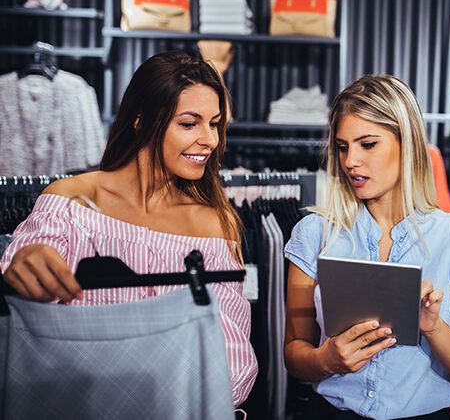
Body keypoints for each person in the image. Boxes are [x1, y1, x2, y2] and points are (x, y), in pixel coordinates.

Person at [0, 50, 258, 406]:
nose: (210, 140)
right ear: (141, 119)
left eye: (213, 123)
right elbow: (25, 283)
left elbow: (231, 362)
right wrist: (26, 263)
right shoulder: (74, 202)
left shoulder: (213, 223)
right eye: (189, 123)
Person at [284, 75, 450, 419]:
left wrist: (433, 326)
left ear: (407, 143)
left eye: (367, 144)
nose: (351, 160)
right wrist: (326, 360)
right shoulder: (314, 234)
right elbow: (294, 354)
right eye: (342, 147)